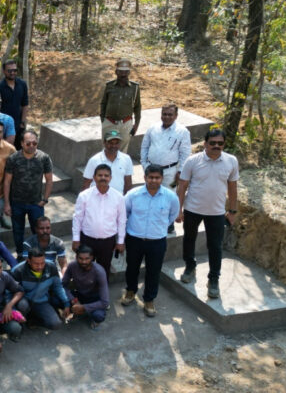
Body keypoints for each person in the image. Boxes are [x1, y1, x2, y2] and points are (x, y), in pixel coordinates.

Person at [176, 129, 239, 299]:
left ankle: (213, 279)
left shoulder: (231, 161)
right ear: (205, 144)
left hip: (217, 212)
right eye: (213, 143)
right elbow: (182, 186)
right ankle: (190, 267)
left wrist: (232, 211)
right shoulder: (192, 161)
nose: (216, 146)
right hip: (192, 209)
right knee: (189, 239)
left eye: (220, 143)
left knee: (215, 246)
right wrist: (178, 210)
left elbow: (233, 187)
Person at [122, 165, 180, 316]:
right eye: (151, 177)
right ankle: (130, 292)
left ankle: (149, 299)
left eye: (157, 178)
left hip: (157, 241)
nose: (154, 180)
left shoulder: (170, 197)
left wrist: (158, 228)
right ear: (145, 178)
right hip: (134, 239)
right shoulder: (133, 195)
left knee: (154, 271)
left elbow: (172, 216)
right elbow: (124, 213)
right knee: (132, 268)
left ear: (162, 178)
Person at [140, 104, 191, 233]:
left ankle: (168, 223)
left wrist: (180, 170)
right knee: (150, 194)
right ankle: (151, 220)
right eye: (164, 114)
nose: (167, 117)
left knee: (169, 196)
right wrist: (144, 164)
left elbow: (185, 153)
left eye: (170, 114)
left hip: (170, 172)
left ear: (176, 116)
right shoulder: (153, 128)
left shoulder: (182, 131)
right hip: (151, 169)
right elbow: (144, 147)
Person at [4, 130, 54, 255]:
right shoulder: (13, 159)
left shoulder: (44, 158)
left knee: (39, 231)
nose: (31, 146)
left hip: (36, 203)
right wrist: (7, 204)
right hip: (17, 203)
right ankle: (21, 254)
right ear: (22, 143)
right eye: (28, 143)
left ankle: (38, 254)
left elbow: (49, 180)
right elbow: (7, 182)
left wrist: (45, 199)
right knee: (17, 231)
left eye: (34, 143)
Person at [72, 164, 126, 279]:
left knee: (104, 270)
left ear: (110, 178)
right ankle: (85, 290)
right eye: (100, 175)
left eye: (106, 175)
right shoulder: (84, 195)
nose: (103, 178)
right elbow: (77, 218)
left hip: (108, 242)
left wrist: (120, 241)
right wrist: (76, 239)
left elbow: (121, 220)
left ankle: (102, 290)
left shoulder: (118, 197)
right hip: (87, 240)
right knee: (84, 269)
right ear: (94, 177)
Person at [11, 247, 69, 330]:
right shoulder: (18, 271)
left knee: (56, 324)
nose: (40, 266)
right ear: (28, 261)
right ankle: (22, 321)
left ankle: (34, 320)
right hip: (24, 300)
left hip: (41, 301)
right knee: (22, 305)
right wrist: (12, 309)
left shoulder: (51, 266)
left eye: (42, 263)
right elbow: (10, 293)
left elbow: (58, 286)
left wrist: (66, 303)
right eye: (36, 264)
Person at [62, 246, 109, 330]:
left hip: (94, 298)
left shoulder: (99, 271)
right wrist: (74, 300)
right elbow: (63, 285)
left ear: (92, 258)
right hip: (79, 295)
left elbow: (105, 302)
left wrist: (84, 307)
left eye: (87, 259)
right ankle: (75, 310)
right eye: (80, 258)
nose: (84, 262)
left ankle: (81, 311)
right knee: (56, 299)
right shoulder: (72, 266)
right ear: (76, 257)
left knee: (99, 316)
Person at [99, 58, 141, 153]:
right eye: (121, 71)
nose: (123, 74)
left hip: (125, 124)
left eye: (126, 72)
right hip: (110, 122)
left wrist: (136, 125)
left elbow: (137, 107)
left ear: (129, 72)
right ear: (116, 72)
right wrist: (103, 120)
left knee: (122, 152)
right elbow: (103, 103)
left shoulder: (134, 88)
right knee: (107, 149)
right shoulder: (109, 86)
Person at [82, 129, 133, 195]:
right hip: (97, 199)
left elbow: (128, 184)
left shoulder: (126, 159)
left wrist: (126, 200)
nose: (113, 146)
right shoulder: (94, 160)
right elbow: (86, 184)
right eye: (110, 143)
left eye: (116, 143)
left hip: (118, 199)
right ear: (104, 143)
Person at [0, 59, 29, 149]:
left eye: (15, 70)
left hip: (18, 126)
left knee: (18, 151)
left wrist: (22, 122)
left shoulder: (22, 84)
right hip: (3, 127)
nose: (12, 73)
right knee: (3, 151)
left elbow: (25, 104)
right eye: (9, 71)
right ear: (4, 71)